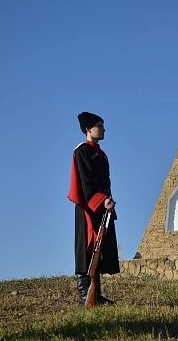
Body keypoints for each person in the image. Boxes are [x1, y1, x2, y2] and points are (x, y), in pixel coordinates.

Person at [68, 112, 119, 305]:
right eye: (100, 125)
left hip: (103, 205)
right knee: (87, 248)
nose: (104, 128)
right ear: (89, 129)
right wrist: (101, 200)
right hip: (88, 207)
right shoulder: (82, 151)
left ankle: (95, 293)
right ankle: (85, 295)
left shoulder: (101, 153)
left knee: (99, 250)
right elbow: (85, 182)